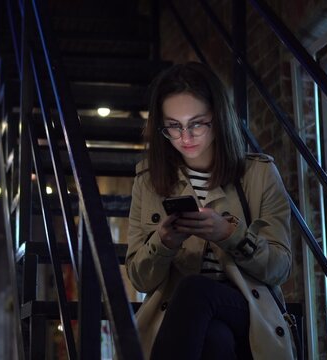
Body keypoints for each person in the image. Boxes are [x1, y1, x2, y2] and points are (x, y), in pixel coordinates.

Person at [126, 62, 295, 360]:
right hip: (182, 321)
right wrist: (164, 243)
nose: (185, 137)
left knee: (195, 290)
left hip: (247, 310)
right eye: (174, 126)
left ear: (217, 119)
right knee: (215, 340)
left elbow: (279, 268)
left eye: (197, 123)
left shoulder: (259, 173)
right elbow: (140, 280)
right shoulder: (148, 180)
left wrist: (231, 235)